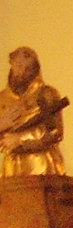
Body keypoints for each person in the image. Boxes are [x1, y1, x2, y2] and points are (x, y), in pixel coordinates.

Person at [0, 46, 66, 176]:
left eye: (28, 68)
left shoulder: (46, 94)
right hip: (12, 170)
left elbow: (55, 133)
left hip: (42, 166)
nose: (22, 72)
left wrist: (21, 141)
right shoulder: (2, 99)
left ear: (35, 69)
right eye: (18, 66)